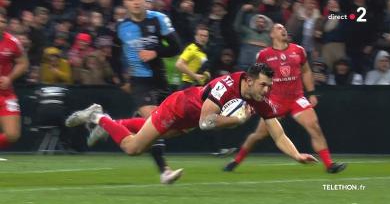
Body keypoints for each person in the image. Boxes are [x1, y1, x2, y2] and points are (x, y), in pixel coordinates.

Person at [65, 64, 318, 176]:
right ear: (249, 80)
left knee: (144, 129)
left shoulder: (257, 96)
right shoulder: (225, 86)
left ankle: (107, 121)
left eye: (269, 86)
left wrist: (296, 155)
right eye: (264, 85)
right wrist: (235, 121)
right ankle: (99, 117)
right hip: (179, 108)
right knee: (133, 148)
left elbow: (278, 132)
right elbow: (206, 123)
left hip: (188, 120)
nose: (267, 91)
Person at [70, 0, 182, 184]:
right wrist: (121, 79)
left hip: (161, 81)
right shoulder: (121, 27)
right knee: (155, 123)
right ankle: (165, 171)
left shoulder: (159, 19)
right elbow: (112, 54)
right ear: (125, 4)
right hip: (140, 82)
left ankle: (107, 122)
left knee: (168, 130)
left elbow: (176, 47)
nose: (136, 2)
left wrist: (155, 52)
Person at [224, 24, 346, 174]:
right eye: (278, 28)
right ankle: (236, 160)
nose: (283, 30)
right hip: (274, 101)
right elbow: (255, 78)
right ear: (271, 34)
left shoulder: (298, 50)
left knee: (314, 126)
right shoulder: (264, 55)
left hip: (296, 98)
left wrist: (311, 92)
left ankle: (329, 164)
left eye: (284, 28)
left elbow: (306, 71)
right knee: (258, 135)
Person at [0, 9, 29, 149]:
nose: (1, 24)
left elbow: (23, 63)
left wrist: (9, 78)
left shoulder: (12, 42)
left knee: (12, 135)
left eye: (3, 21)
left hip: (6, 94)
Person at [175, 24, 210, 90]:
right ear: (196, 37)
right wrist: (194, 76)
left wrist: (206, 74)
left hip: (197, 86)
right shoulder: (192, 48)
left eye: (205, 36)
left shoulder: (203, 52)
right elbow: (179, 64)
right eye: (201, 35)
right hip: (187, 85)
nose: (203, 38)